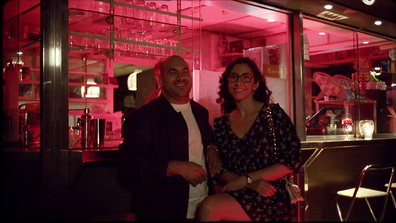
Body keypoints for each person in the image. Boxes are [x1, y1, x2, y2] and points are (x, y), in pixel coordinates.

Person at [197, 57, 301, 221]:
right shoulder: (221, 124)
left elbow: (291, 160)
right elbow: (220, 170)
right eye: (234, 77)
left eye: (246, 77)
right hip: (239, 190)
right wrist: (247, 183)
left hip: (270, 192)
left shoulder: (273, 115)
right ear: (228, 82)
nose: (239, 82)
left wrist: (249, 178)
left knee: (209, 206)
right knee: (209, 205)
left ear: (256, 84)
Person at [119, 55, 221, 221]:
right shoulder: (143, 117)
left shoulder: (200, 112)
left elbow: (208, 139)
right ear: (161, 80)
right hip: (163, 211)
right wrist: (176, 167)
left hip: (204, 208)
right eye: (173, 72)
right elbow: (129, 166)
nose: (181, 77)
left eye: (185, 71)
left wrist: (211, 148)